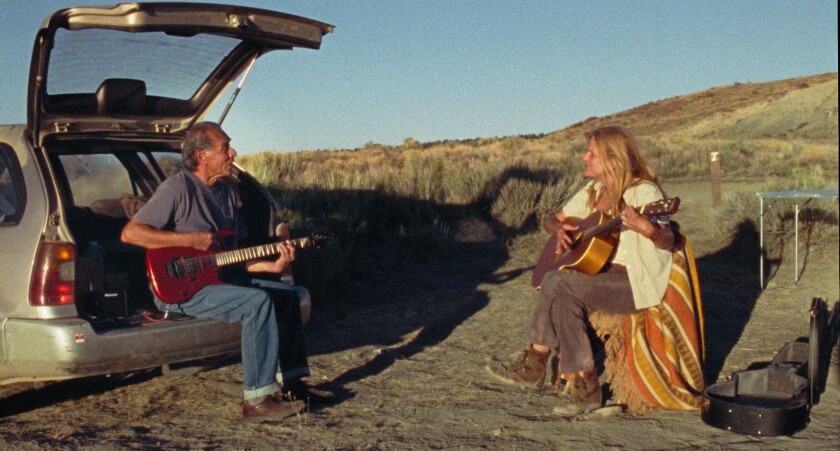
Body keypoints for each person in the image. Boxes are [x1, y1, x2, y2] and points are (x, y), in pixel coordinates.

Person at [121, 122, 331, 422]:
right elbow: (131, 234)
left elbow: (234, 257)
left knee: (288, 295)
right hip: (181, 288)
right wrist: (189, 240)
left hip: (221, 278)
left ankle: (293, 386)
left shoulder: (229, 193)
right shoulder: (176, 188)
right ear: (201, 155)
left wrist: (276, 265)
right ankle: (257, 400)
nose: (233, 153)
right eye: (225, 147)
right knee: (256, 303)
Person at [487, 125, 675, 413]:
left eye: (591, 153)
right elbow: (551, 219)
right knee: (562, 295)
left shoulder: (644, 192)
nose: (584, 158)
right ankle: (586, 388)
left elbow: (667, 240)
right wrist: (558, 229)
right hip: (598, 275)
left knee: (557, 281)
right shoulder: (594, 190)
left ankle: (535, 362)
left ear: (613, 159)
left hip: (633, 282)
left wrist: (648, 229)